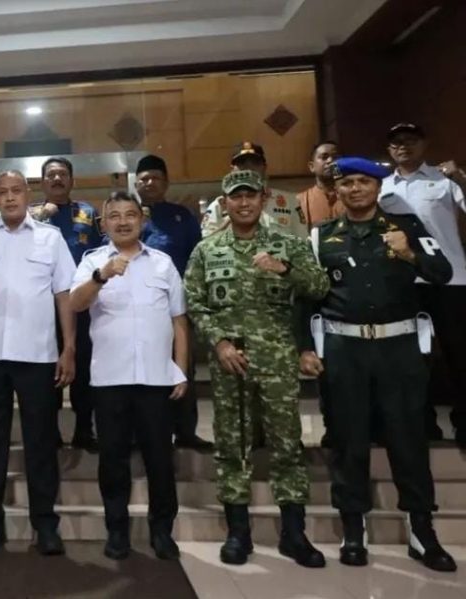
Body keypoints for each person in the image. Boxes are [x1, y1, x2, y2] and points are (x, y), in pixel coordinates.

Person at [298, 156, 456, 572]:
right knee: (347, 440)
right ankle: (354, 529)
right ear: (337, 190)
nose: (355, 189)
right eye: (347, 183)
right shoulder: (321, 236)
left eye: (363, 182)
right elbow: (306, 296)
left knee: (408, 440)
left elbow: (442, 272)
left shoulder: (407, 228)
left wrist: (410, 255)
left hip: (398, 349)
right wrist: (305, 348)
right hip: (344, 350)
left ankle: (422, 531)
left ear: (378, 187)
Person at [184, 170, 329, 568]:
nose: (244, 203)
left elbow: (318, 287)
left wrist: (285, 270)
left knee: (286, 444)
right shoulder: (207, 250)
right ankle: (238, 533)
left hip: (277, 361)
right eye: (236, 196)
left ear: (263, 199)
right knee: (232, 446)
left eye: (250, 196)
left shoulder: (289, 244)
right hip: (230, 363)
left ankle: (294, 534)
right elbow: (194, 302)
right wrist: (219, 342)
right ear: (225, 202)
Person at [0, 170, 77, 556]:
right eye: (2, 192)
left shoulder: (50, 238)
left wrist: (69, 348)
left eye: (16, 191)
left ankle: (46, 524)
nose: (9, 198)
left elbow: (64, 294)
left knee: (41, 441)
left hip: (37, 354)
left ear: (27, 194)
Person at [70, 192, 187, 561]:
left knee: (160, 460)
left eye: (130, 215)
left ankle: (162, 530)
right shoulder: (93, 261)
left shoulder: (163, 264)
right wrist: (101, 276)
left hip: (156, 378)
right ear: (103, 224)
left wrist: (181, 369)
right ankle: (117, 531)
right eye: (115, 216)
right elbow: (76, 303)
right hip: (110, 379)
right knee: (113, 460)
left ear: (142, 219)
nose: (123, 221)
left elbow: (179, 320)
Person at [379, 122, 466, 446]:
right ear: (389, 149)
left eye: (410, 140)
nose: (403, 146)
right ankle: (423, 424)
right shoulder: (382, 186)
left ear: (424, 144)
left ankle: (464, 423)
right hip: (405, 280)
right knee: (413, 359)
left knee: (459, 354)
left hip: (452, 279)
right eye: (396, 142)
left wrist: (460, 178)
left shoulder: (445, 180)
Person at [135, 154, 212, 450]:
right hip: (136, 310)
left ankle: (186, 431)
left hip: (176, 308)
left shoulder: (182, 217)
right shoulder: (127, 215)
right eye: (144, 179)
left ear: (166, 183)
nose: (149, 183)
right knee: (141, 371)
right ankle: (145, 434)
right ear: (136, 184)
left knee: (182, 368)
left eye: (155, 178)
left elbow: (197, 258)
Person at [29, 157, 101, 451]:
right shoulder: (30, 214)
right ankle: (50, 432)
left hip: (81, 303)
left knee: (83, 367)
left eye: (62, 174)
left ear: (72, 180)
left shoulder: (88, 212)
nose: (57, 179)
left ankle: (84, 430)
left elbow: (101, 252)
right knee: (47, 369)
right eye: (51, 175)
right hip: (43, 306)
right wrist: (39, 216)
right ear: (42, 182)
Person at [202, 142, 305, 239]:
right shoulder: (219, 206)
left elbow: (302, 241)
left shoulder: (289, 202)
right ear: (232, 169)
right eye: (242, 163)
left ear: (264, 167)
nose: (249, 168)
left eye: (255, 163)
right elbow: (204, 244)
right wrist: (229, 224)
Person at [296, 142, 343, 228]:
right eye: (324, 157)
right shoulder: (299, 201)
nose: (330, 160)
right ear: (312, 167)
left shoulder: (352, 197)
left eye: (335, 157)